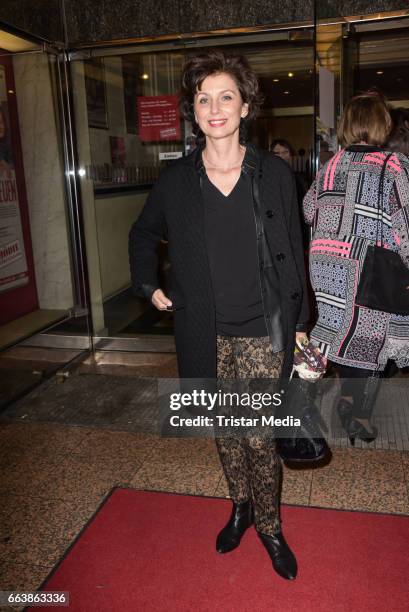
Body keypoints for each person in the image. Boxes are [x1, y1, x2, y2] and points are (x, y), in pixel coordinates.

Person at [129, 49, 310, 580]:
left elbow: (292, 252)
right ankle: (240, 506)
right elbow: (143, 234)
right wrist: (149, 283)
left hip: (262, 328)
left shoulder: (274, 173)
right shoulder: (177, 180)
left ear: (246, 106)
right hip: (203, 328)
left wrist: (300, 324)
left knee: (258, 435)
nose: (214, 108)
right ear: (195, 111)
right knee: (225, 430)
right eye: (203, 99)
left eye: (225, 97)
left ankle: (270, 527)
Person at [303, 92, 409, 444]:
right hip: (369, 268)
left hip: (328, 267)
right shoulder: (394, 164)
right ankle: (355, 414)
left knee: (342, 332)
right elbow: (405, 223)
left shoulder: (330, 165)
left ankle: (344, 399)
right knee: (373, 338)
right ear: (383, 125)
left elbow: (308, 210)